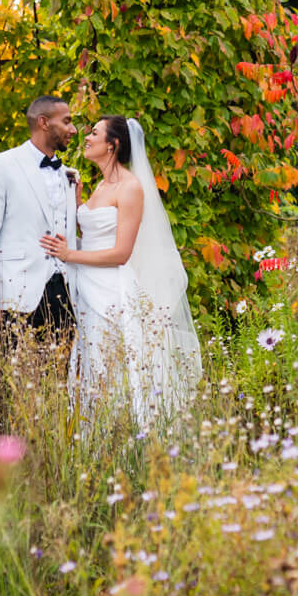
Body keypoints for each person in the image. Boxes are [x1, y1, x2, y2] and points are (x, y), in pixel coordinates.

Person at [39, 115, 201, 426]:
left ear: (112, 145)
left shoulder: (130, 188)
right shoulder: (100, 185)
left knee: (109, 372)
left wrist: (69, 254)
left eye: (94, 133)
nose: (86, 137)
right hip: (87, 288)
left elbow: (121, 253)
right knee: (88, 371)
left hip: (111, 292)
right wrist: (77, 200)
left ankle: (122, 444)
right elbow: (93, 237)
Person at [0, 95, 79, 343]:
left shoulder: (68, 175)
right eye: (67, 122)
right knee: (5, 379)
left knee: (57, 378)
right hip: (16, 296)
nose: (72, 130)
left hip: (63, 295)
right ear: (44, 122)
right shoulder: (1, 165)